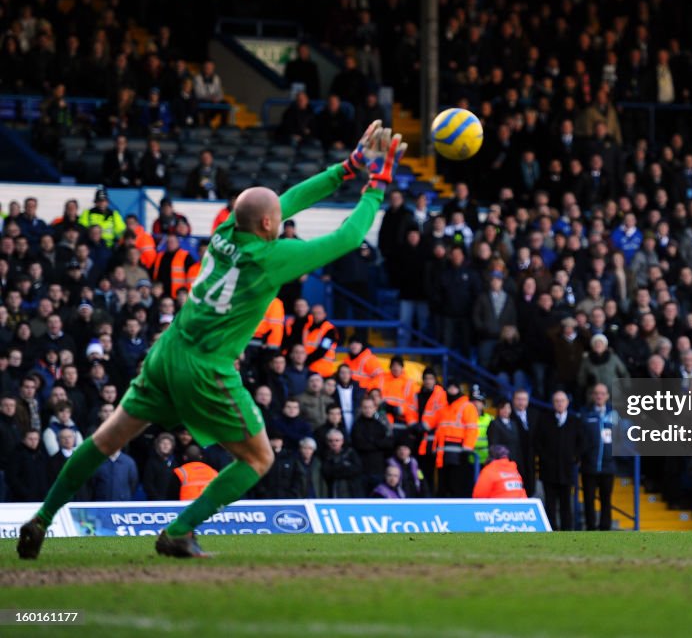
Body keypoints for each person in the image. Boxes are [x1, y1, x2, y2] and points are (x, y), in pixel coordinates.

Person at [18, 120, 406, 559]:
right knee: (259, 459)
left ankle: (42, 518)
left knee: (107, 440)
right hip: (205, 367)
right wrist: (377, 183)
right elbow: (350, 236)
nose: (283, 217)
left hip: (167, 351)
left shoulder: (224, 231)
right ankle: (179, 530)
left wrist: (347, 167)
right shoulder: (270, 258)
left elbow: (283, 201)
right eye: (277, 218)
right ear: (267, 224)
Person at [533, 391, 583, 530]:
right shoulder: (544, 420)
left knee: (566, 504)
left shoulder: (575, 421)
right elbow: (537, 442)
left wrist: (575, 458)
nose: (559, 403)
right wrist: (545, 458)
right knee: (550, 505)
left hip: (567, 471)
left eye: (562, 400)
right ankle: (551, 530)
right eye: (556, 401)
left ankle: (566, 532)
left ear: (567, 402)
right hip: (548, 471)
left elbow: (581, 443)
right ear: (553, 403)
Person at [580, 383, 620, 531]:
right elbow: (581, 438)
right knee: (588, 500)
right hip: (589, 466)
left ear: (608, 396)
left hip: (608, 466)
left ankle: (605, 528)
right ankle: (590, 528)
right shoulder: (585, 413)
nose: (599, 396)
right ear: (592, 395)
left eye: (602, 393)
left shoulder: (614, 414)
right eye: (596, 393)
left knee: (606, 499)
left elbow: (620, 437)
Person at [320, 428, 362, 498]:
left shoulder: (351, 453)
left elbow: (357, 469)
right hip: (333, 492)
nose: (334, 443)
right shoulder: (325, 455)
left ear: (342, 441)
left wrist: (337, 469)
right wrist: (344, 467)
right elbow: (327, 472)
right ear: (327, 442)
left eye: (337, 440)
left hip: (351, 491)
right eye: (331, 441)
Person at [142, 432, 177, 500]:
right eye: (163, 443)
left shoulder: (174, 463)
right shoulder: (151, 462)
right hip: (156, 502)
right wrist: (157, 499)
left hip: (172, 501)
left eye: (168, 443)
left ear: (172, 446)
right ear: (158, 445)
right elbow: (148, 484)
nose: (165, 445)